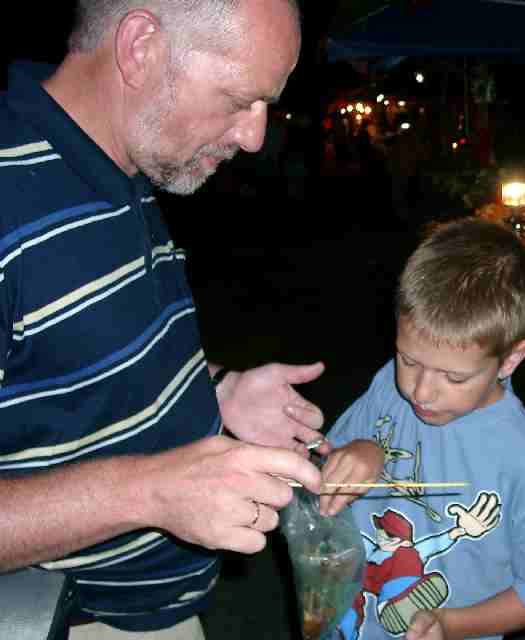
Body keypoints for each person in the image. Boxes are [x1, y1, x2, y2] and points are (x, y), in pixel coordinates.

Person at [0, 1, 336, 637]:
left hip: (159, 614)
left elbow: (69, 356)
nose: (255, 136)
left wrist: (215, 387)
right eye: (239, 99)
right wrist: (151, 491)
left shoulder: (120, 166)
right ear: (141, 47)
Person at [318, 217, 525, 640]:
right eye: (409, 360)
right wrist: (361, 448)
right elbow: (329, 455)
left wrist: (451, 624)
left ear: (510, 360)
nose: (421, 391)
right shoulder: (389, 383)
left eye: (453, 378)